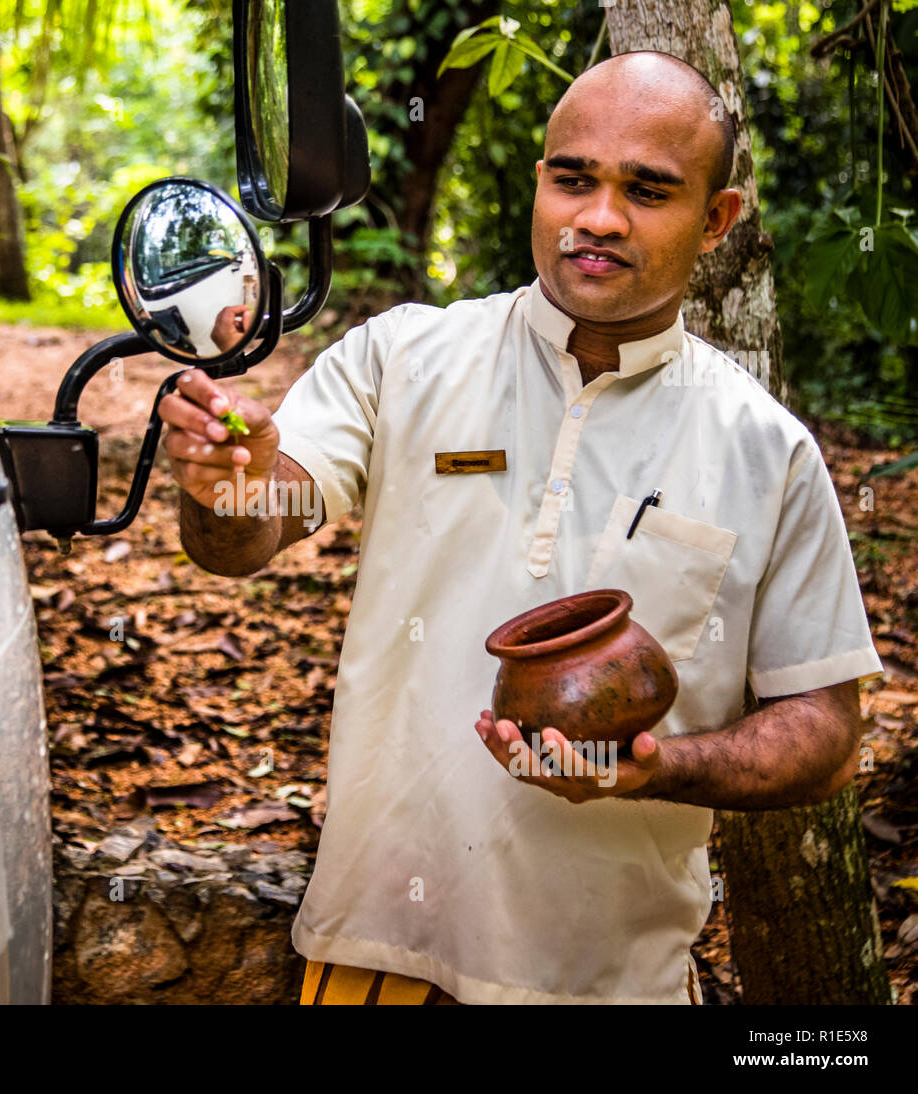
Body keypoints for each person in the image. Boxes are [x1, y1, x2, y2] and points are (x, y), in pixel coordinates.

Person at [156, 50, 883, 1005]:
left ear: (716, 221)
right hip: (377, 953)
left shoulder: (764, 449)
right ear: (540, 182)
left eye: (648, 190)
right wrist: (227, 485)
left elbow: (826, 732)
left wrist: (656, 771)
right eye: (573, 177)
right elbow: (247, 538)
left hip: (608, 982)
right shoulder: (404, 357)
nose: (599, 217)